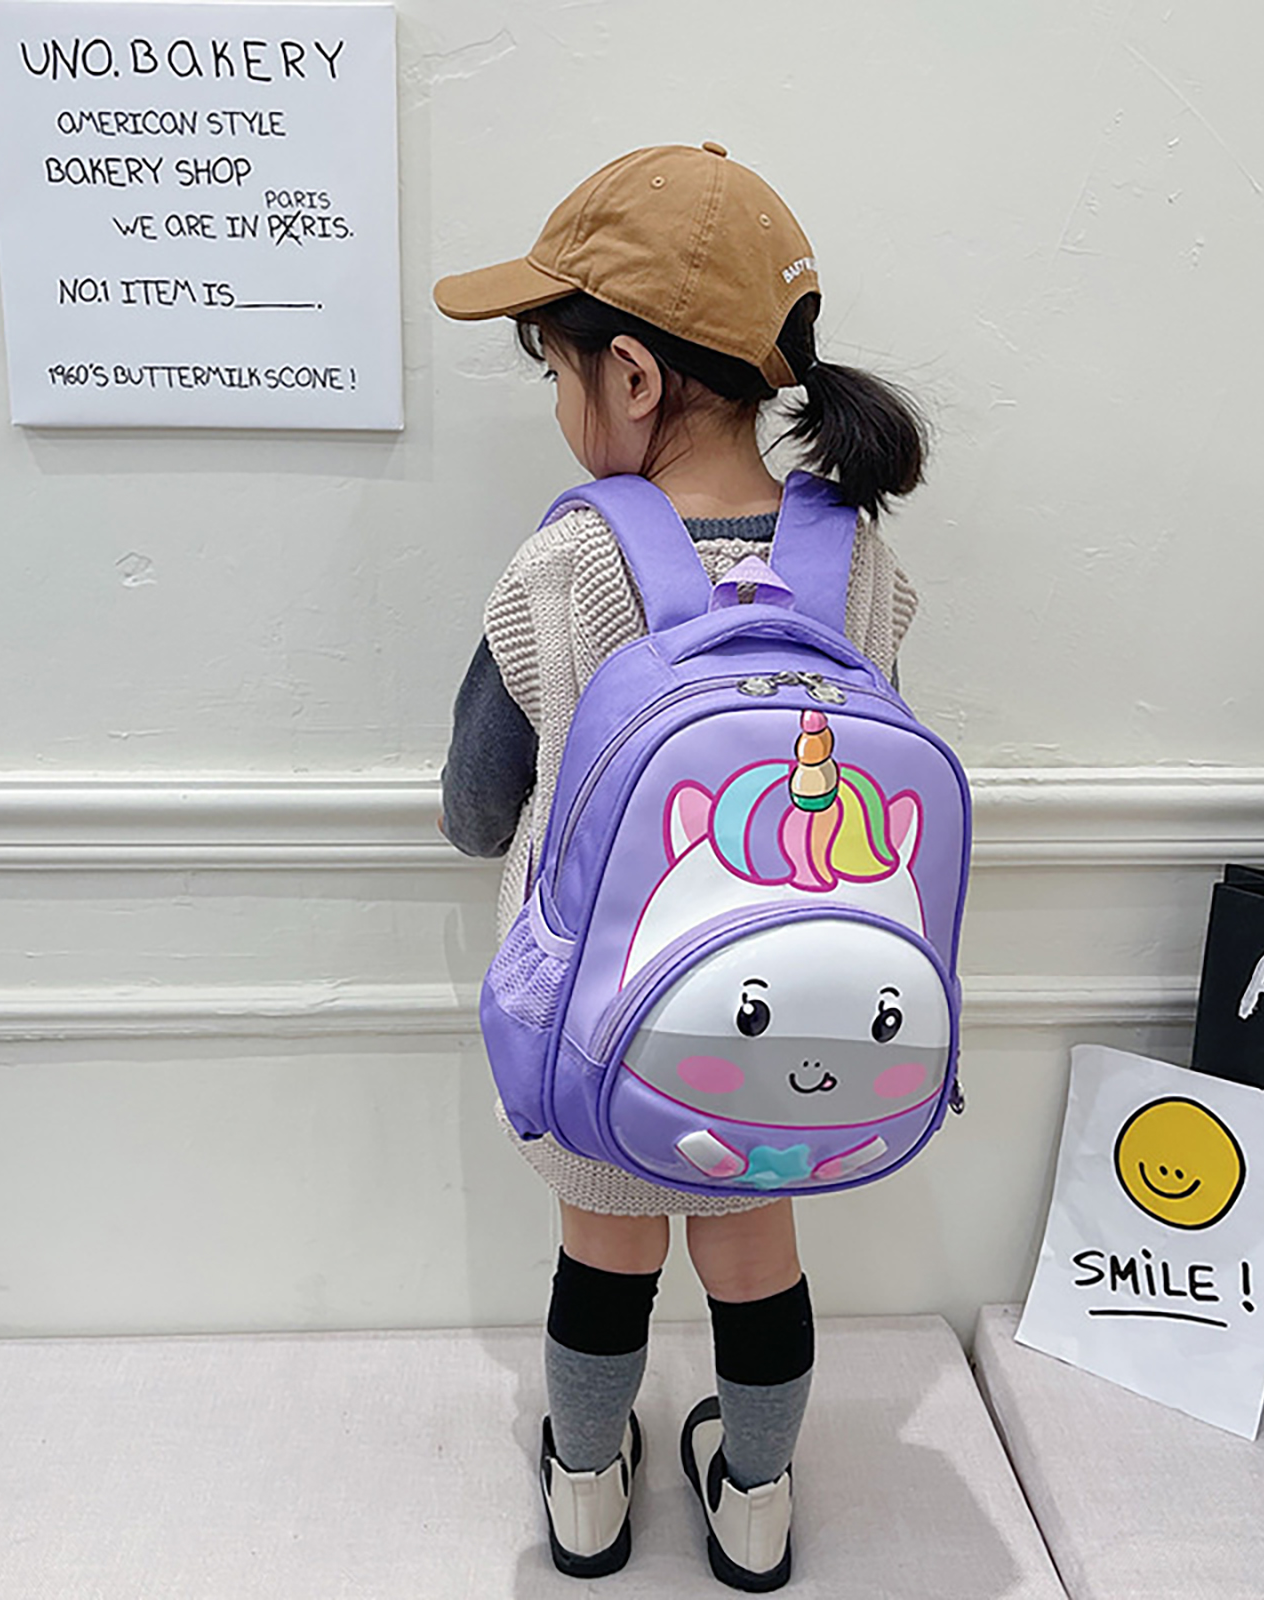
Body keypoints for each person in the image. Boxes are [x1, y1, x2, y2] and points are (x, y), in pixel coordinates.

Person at [433, 142, 928, 1591]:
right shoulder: (857, 560)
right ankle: (754, 1503)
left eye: (556, 371)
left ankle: (588, 1493)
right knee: (756, 1261)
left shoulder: (568, 564)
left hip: (603, 1023)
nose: (559, 404)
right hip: (801, 1027)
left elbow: (477, 802)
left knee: (605, 1259)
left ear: (633, 377)